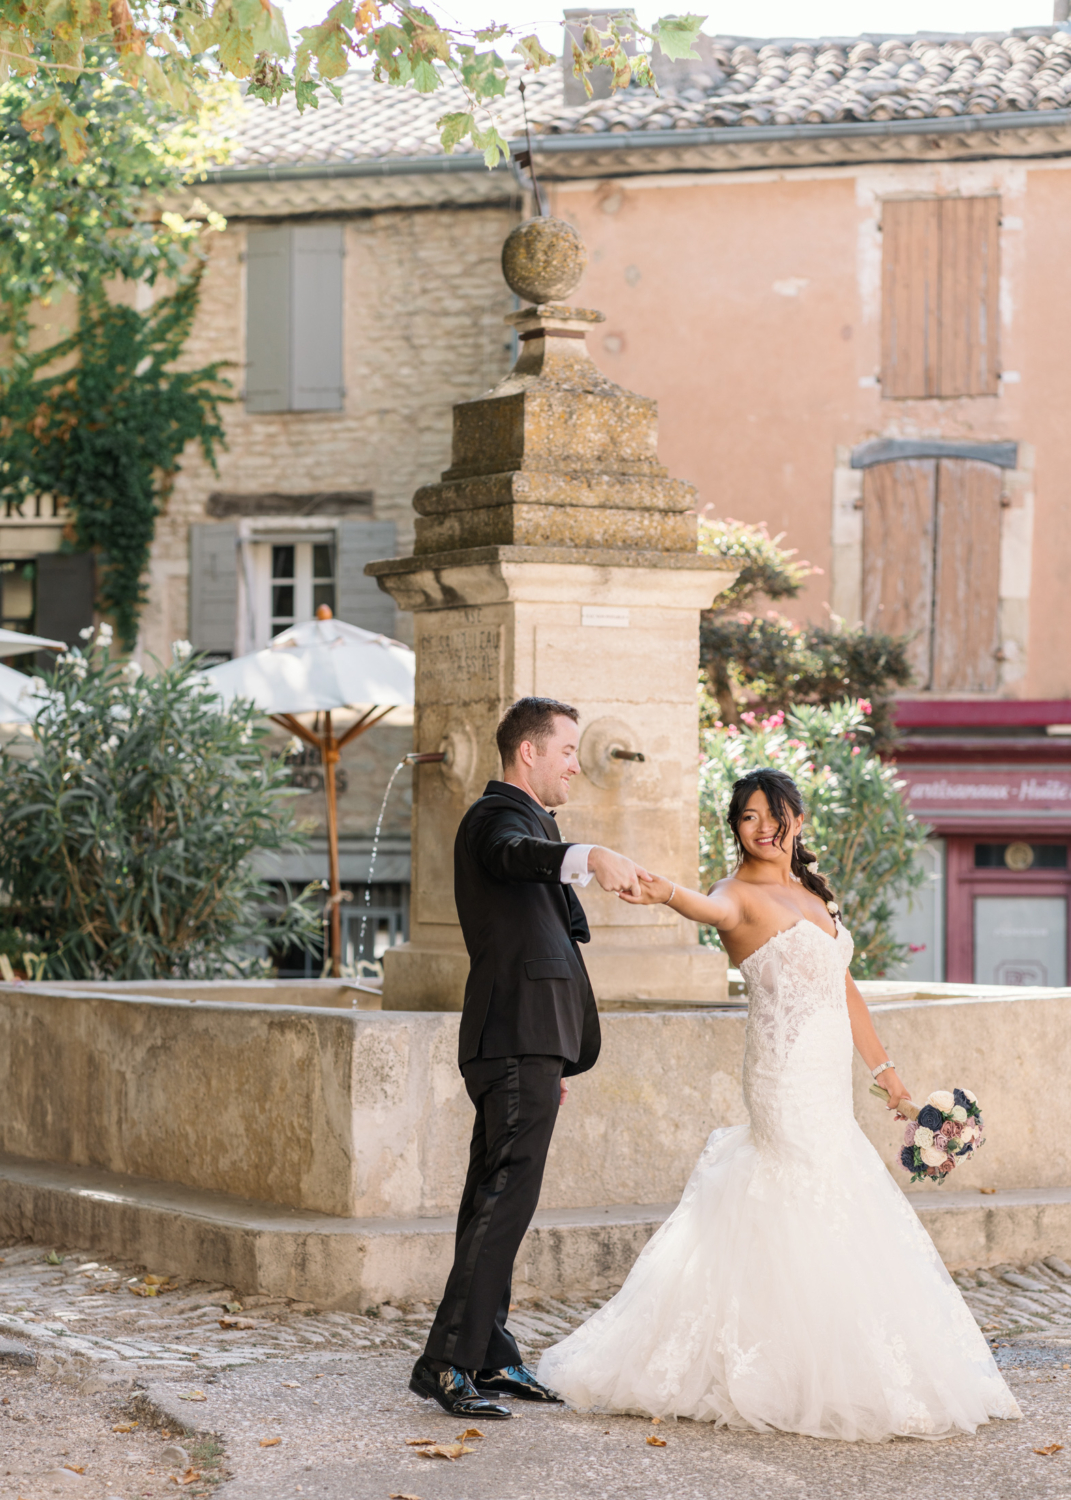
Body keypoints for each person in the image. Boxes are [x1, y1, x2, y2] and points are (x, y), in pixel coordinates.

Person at [537, 766, 1021, 1442]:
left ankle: (827, 1352)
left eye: (774, 814)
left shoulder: (812, 895)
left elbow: (841, 989)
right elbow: (704, 909)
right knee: (800, 1191)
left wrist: (889, 1078)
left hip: (826, 1080)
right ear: (733, 827)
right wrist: (664, 892)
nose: (762, 827)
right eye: (747, 816)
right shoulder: (732, 894)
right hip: (781, 1080)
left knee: (834, 1192)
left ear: (797, 819)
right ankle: (789, 1368)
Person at [409, 696, 650, 1420]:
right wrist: (590, 856)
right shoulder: (495, 819)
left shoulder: (529, 820)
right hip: (513, 1039)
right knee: (500, 1203)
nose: (577, 764)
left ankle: (486, 1354)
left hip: (526, 1044)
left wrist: (557, 1056)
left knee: (494, 1200)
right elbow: (516, 858)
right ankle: (446, 1362)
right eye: (568, 750)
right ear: (528, 754)